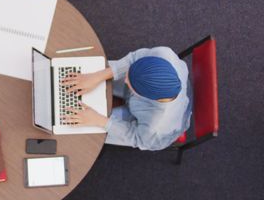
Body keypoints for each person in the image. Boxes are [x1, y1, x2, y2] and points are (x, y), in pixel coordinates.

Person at [62, 46, 190, 151]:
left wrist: (99, 120)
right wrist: (97, 77)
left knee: (84, 128)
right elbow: (133, 59)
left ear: (144, 96)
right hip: (144, 93)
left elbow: (135, 137)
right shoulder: (163, 54)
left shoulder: (155, 128)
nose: (125, 79)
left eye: (129, 82)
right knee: (94, 71)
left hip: (144, 130)